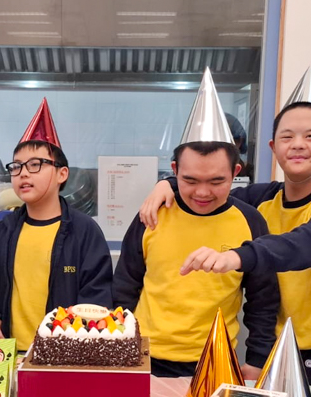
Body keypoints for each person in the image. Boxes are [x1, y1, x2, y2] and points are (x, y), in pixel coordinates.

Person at [139, 98, 311, 397]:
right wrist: (168, 184)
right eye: (287, 136)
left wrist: (237, 256)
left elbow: (310, 243)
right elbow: (209, 187)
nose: (298, 144)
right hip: (269, 350)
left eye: (310, 136)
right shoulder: (260, 199)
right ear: (273, 147)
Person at [115, 69, 279, 378]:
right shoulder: (153, 213)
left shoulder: (250, 221)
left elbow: (263, 300)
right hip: (143, 358)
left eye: (217, 181)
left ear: (236, 173)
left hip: (215, 361)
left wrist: (258, 359)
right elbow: (125, 288)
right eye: (190, 180)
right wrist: (120, 348)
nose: (202, 193)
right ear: (174, 170)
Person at [0, 98, 113, 351]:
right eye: (16, 166)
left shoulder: (84, 231)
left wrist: (74, 343)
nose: (23, 173)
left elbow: (96, 297)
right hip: (10, 352)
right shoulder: (6, 229)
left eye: (35, 165)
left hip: (64, 355)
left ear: (62, 174)